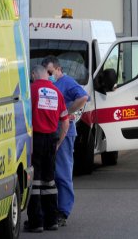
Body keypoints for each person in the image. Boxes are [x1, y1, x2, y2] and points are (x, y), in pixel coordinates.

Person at [42, 55, 89, 227]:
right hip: (49, 132)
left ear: (58, 69)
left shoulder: (67, 82)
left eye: (50, 72)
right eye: (46, 72)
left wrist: (67, 112)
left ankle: (63, 210)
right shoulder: (49, 84)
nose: (48, 75)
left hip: (64, 132)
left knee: (62, 173)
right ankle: (51, 210)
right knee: (50, 174)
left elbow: (83, 97)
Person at [25, 65, 70, 232]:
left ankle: (36, 222)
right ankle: (52, 220)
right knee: (49, 181)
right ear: (46, 75)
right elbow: (65, 121)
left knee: (34, 182)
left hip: (35, 140)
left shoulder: (30, 91)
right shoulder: (57, 92)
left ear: (34, 75)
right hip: (51, 139)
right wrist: (58, 142)